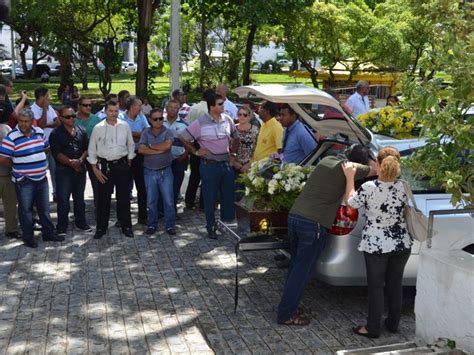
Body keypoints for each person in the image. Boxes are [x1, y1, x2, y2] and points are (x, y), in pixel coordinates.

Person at [277, 145, 377, 325]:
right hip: (313, 223)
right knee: (301, 272)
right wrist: (370, 161)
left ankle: (289, 306)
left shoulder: (326, 160)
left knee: (295, 268)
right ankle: (286, 314)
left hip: (295, 217)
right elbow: (376, 169)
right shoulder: (352, 168)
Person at [342, 147, 411, 338]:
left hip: (376, 244)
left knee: (376, 287)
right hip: (401, 242)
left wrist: (350, 176)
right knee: (395, 284)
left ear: (378, 165)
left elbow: (351, 202)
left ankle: (372, 328)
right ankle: (393, 324)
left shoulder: (369, 187)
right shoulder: (404, 186)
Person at [0, 108, 64, 248]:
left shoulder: (39, 132)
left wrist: (36, 160)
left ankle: (48, 233)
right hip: (24, 180)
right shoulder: (11, 137)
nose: (23, 124)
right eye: (21, 121)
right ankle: (28, 237)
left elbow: (46, 148)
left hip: (41, 178)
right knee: (26, 210)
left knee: (44, 208)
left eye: (26, 121)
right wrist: (18, 165)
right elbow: (3, 158)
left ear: (32, 121)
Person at [179, 93, 239, 239]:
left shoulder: (228, 120)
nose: (223, 106)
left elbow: (236, 137)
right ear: (211, 107)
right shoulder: (200, 122)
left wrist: (233, 154)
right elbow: (182, 137)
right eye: (220, 104)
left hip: (225, 165)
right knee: (210, 198)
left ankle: (227, 224)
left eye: (222, 104)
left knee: (228, 196)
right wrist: (195, 151)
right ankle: (210, 226)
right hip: (209, 166)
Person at [88, 100, 135, 239]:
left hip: (121, 164)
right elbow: (92, 149)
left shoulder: (124, 126)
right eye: (110, 111)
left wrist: (130, 159)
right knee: (104, 199)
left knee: (124, 197)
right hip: (106, 165)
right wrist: (94, 167)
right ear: (105, 111)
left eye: (116, 111)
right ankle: (101, 227)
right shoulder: (98, 128)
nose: (113, 114)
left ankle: (126, 226)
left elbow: (130, 144)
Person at [49, 106, 90, 235]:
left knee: (79, 199)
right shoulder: (55, 133)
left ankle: (81, 222)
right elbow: (57, 153)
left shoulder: (81, 130)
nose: (71, 119)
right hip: (63, 171)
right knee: (63, 200)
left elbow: (86, 149)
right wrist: (72, 163)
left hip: (80, 170)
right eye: (67, 117)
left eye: (73, 116)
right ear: (61, 118)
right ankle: (62, 225)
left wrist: (80, 161)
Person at [138, 108, 176, 236]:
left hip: (166, 171)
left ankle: (170, 226)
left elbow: (167, 146)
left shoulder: (168, 132)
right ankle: (152, 225)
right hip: (149, 171)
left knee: (169, 200)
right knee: (151, 200)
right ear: (150, 120)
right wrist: (159, 149)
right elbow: (141, 149)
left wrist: (151, 146)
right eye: (155, 119)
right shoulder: (145, 132)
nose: (159, 121)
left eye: (161, 118)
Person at [119, 96, 149, 224]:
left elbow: (147, 133)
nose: (141, 108)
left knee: (142, 187)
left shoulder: (141, 117)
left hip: (139, 155)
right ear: (132, 107)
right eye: (139, 105)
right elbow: (122, 134)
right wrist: (138, 134)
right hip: (124, 156)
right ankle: (123, 218)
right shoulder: (120, 117)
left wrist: (132, 134)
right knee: (123, 188)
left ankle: (143, 216)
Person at [184, 88, 215, 209]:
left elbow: (188, 125)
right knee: (206, 176)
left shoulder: (193, 108)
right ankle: (203, 203)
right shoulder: (207, 110)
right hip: (206, 143)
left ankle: (189, 200)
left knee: (194, 174)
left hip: (194, 143)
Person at [30, 87, 60, 201]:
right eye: (47, 96)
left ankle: (56, 193)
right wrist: (43, 110)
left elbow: (57, 122)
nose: (49, 98)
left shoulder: (49, 107)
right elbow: (39, 125)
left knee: (55, 169)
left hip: (52, 143)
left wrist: (47, 124)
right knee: (41, 170)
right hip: (40, 145)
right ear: (42, 97)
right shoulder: (33, 109)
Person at [75, 97, 101, 208]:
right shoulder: (72, 119)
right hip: (77, 155)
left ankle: (99, 209)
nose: (88, 107)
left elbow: (101, 138)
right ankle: (79, 211)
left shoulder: (96, 119)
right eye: (85, 105)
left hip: (93, 155)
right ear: (79, 106)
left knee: (97, 184)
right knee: (78, 186)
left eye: (90, 105)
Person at [164, 99, 189, 210]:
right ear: (166, 108)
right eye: (170, 107)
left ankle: (172, 209)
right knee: (163, 185)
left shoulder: (184, 125)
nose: (173, 109)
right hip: (163, 159)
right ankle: (161, 209)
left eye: (175, 107)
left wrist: (185, 155)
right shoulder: (161, 122)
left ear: (179, 109)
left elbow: (190, 143)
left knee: (175, 186)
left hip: (179, 159)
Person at [231, 105, 259, 200]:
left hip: (249, 166)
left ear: (250, 116)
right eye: (239, 114)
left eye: (245, 115)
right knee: (234, 193)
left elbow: (257, 148)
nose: (242, 117)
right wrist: (234, 162)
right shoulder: (232, 129)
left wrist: (250, 163)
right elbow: (227, 147)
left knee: (247, 194)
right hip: (234, 165)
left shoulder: (255, 130)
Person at [0, 121, 20, 239]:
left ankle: (11, 230)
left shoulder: (6, 128)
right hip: (7, 172)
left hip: (7, 175)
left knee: (11, 205)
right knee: (10, 204)